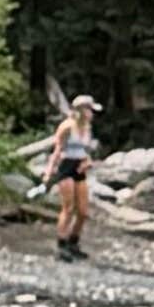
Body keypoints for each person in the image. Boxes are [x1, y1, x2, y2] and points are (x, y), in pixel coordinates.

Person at [42, 94, 100, 266]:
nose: (92, 114)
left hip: (79, 166)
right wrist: (49, 172)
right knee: (68, 208)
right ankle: (61, 245)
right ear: (82, 110)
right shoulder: (67, 127)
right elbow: (57, 150)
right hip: (66, 166)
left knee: (83, 212)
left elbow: (87, 150)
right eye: (90, 110)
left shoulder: (88, 127)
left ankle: (73, 242)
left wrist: (88, 161)